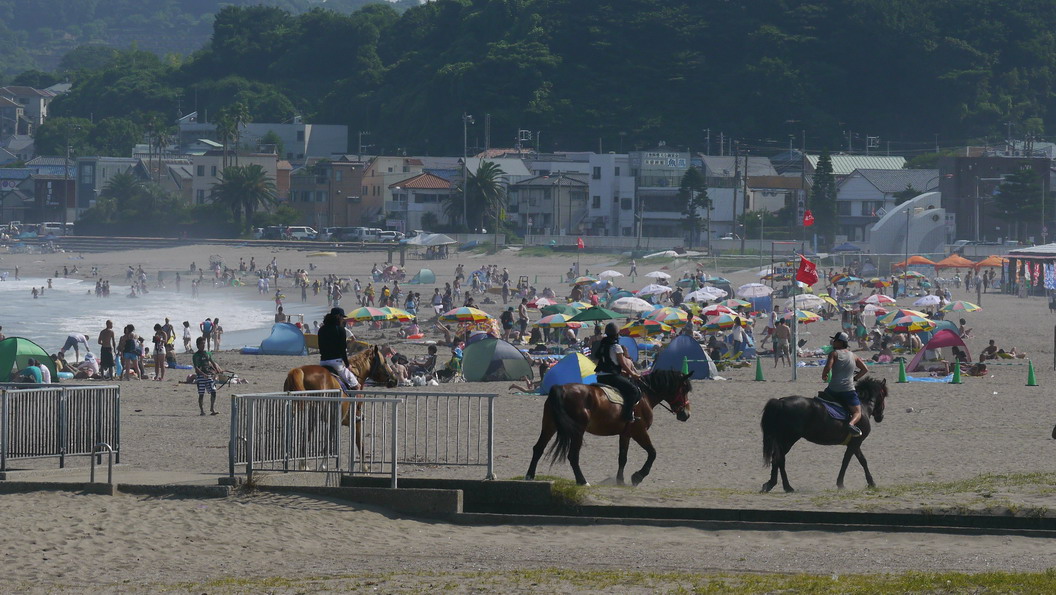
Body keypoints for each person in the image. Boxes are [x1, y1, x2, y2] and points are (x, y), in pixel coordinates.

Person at [821, 332, 869, 437]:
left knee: (821, 400)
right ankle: (851, 424)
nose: (833, 342)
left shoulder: (834, 354)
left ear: (840, 342)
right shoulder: (854, 356)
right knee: (857, 412)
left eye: (835, 340)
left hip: (833, 389)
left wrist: (824, 375)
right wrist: (855, 378)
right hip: (848, 390)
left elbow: (828, 367)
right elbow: (865, 369)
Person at [592, 322, 642, 422]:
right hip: (611, 377)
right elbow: (623, 364)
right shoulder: (616, 347)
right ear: (616, 334)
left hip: (599, 376)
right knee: (633, 390)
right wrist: (633, 374)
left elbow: (596, 358)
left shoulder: (601, 345)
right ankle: (627, 415)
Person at [317, 307, 362, 394]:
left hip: (323, 362)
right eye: (342, 317)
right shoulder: (340, 330)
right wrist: (348, 364)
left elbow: (320, 347)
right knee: (357, 386)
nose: (343, 319)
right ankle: (354, 406)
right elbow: (342, 350)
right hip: (336, 363)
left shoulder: (321, 329)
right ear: (338, 316)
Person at [192, 337, 222, 415]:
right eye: (202, 344)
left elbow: (212, 362)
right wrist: (203, 374)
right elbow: (196, 368)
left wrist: (217, 370)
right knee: (201, 394)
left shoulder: (208, 353)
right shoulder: (195, 356)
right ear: (198, 345)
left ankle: (212, 408)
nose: (203, 345)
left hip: (209, 375)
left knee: (213, 391)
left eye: (204, 343)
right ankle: (202, 411)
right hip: (201, 377)